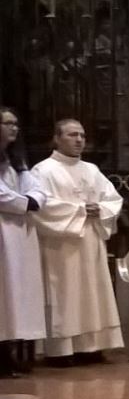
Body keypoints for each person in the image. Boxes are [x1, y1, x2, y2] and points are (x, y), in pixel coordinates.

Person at [31, 119, 125, 366]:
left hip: (91, 241)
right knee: (64, 293)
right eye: (73, 135)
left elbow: (113, 199)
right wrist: (82, 210)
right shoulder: (43, 170)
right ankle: (61, 350)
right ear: (57, 138)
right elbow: (41, 206)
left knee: (92, 293)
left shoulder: (92, 170)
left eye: (82, 135)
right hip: (61, 245)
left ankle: (91, 347)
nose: (79, 140)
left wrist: (101, 209)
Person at [0, 107, 46, 376]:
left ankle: (7, 350)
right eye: (7, 123)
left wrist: (34, 200)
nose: (14, 128)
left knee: (14, 294)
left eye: (16, 123)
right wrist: (24, 203)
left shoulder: (16, 160)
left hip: (18, 233)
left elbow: (37, 189)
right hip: (5, 231)